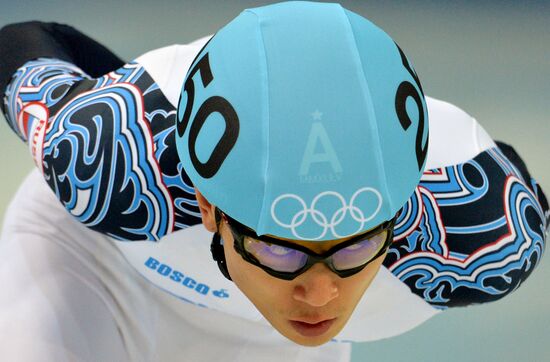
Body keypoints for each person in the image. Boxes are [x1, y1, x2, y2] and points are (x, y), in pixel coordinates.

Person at [0, 1, 547, 361]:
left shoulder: (480, 235)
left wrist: (278, 252)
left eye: (355, 247)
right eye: (281, 251)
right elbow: (25, 38)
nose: (321, 293)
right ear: (207, 206)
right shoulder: (114, 162)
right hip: (99, 266)